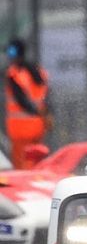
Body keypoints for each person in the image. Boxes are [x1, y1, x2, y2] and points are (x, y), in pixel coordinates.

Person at [4, 39, 49, 169]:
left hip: (20, 129)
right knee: (36, 162)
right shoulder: (39, 72)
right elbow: (47, 96)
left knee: (21, 166)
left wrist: (36, 111)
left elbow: (21, 100)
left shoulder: (14, 73)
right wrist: (45, 114)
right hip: (38, 126)